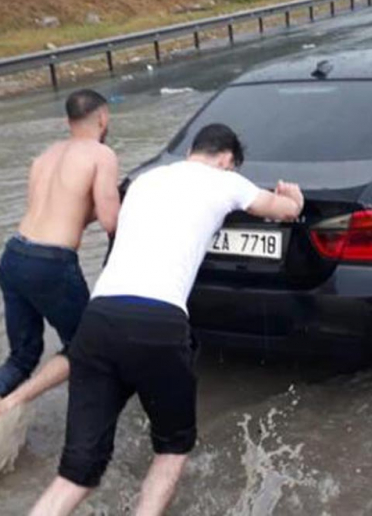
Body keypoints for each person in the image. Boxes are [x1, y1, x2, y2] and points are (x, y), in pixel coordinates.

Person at [28, 124, 304, 516]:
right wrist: (293, 197)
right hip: (157, 323)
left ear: (193, 149)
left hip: (99, 320)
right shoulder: (225, 182)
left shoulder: (145, 180)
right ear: (225, 160)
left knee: (77, 472)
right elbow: (284, 211)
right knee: (172, 450)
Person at [0, 89, 121, 461]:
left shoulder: (43, 158)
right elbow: (111, 221)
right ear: (103, 118)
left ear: (67, 122)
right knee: (86, 346)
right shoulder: (101, 154)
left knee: (21, 356)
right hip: (52, 264)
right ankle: (15, 404)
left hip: (14, 255)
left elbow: (56, 213)